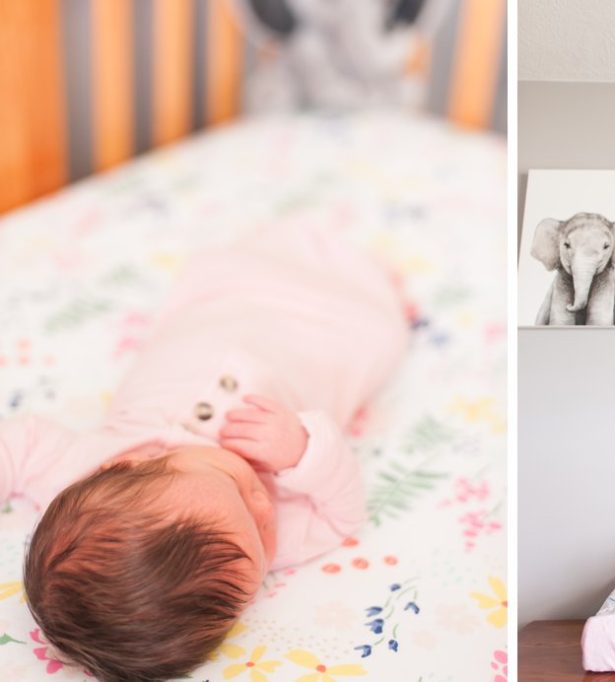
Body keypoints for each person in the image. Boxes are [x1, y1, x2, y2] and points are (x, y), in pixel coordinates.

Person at [0, 219, 409, 681]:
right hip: (321, 337)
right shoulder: (258, 547)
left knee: (239, 266)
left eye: (237, 487)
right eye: (261, 539)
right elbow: (342, 516)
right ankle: (376, 285)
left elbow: (19, 444)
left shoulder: (77, 468)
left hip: (228, 301)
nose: (264, 506)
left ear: (126, 465)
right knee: (377, 332)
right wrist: (303, 454)